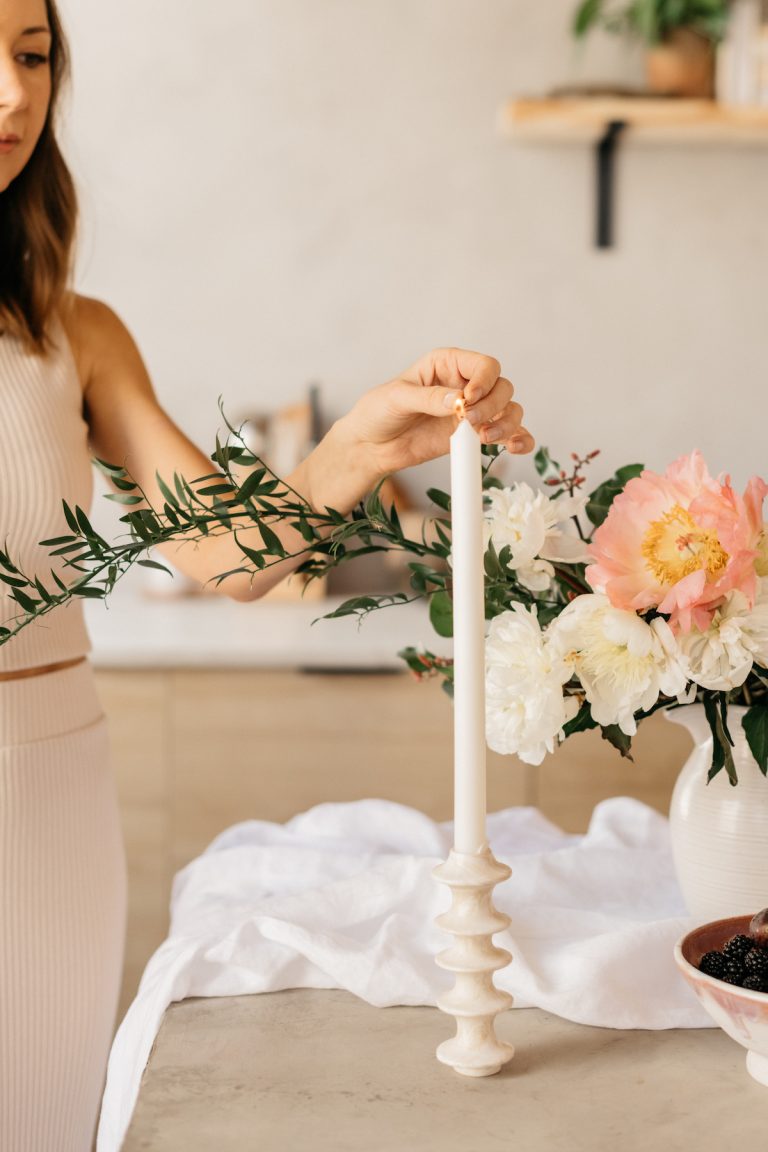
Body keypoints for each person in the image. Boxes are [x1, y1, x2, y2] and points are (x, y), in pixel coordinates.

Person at [0, 1, 534, 1149]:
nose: (11, 95)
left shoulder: (73, 333)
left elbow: (230, 554)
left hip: (46, 804)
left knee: (42, 1119)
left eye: (32, 56)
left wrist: (373, 440)